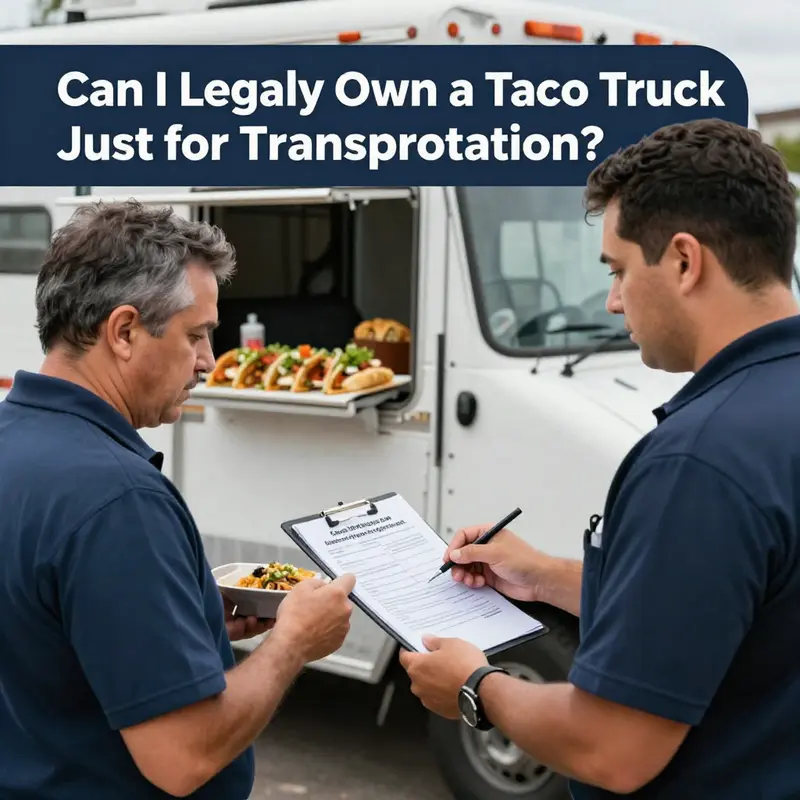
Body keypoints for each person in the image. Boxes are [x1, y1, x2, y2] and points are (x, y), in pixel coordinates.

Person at [399, 118, 800, 798]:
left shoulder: (699, 458)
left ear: (682, 260)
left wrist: (475, 685)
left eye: (616, 270)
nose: (613, 302)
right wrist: (546, 577)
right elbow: (733, 612)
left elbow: (614, 745)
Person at [0, 201, 356, 799]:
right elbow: (183, 756)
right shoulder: (118, 498)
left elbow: (48, 637)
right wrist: (294, 641)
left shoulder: (14, 441)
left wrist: (188, 616)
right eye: (196, 335)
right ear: (123, 331)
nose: (208, 362)